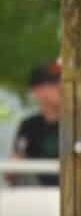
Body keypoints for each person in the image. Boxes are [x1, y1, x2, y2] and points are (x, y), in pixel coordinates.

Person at [11, 60, 61, 188]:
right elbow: (14, 167)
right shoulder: (28, 126)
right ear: (37, 91)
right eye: (54, 83)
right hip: (36, 196)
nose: (61, 87)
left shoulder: (79, 122)